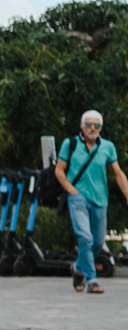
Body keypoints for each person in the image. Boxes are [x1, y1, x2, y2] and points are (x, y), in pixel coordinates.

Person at [53, 111, 127, 294]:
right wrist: (70, 189)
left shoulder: (108, 147)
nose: (92, 128)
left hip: (101, 200)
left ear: (100, 128)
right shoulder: (69, 144)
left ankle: (78, 268)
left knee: (98, 242)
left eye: (96, 125)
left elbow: (118, 174)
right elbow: (59, 170)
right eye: (88, 124)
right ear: (81, 125)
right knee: (85, 237)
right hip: (77, 197)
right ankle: (92, 279)